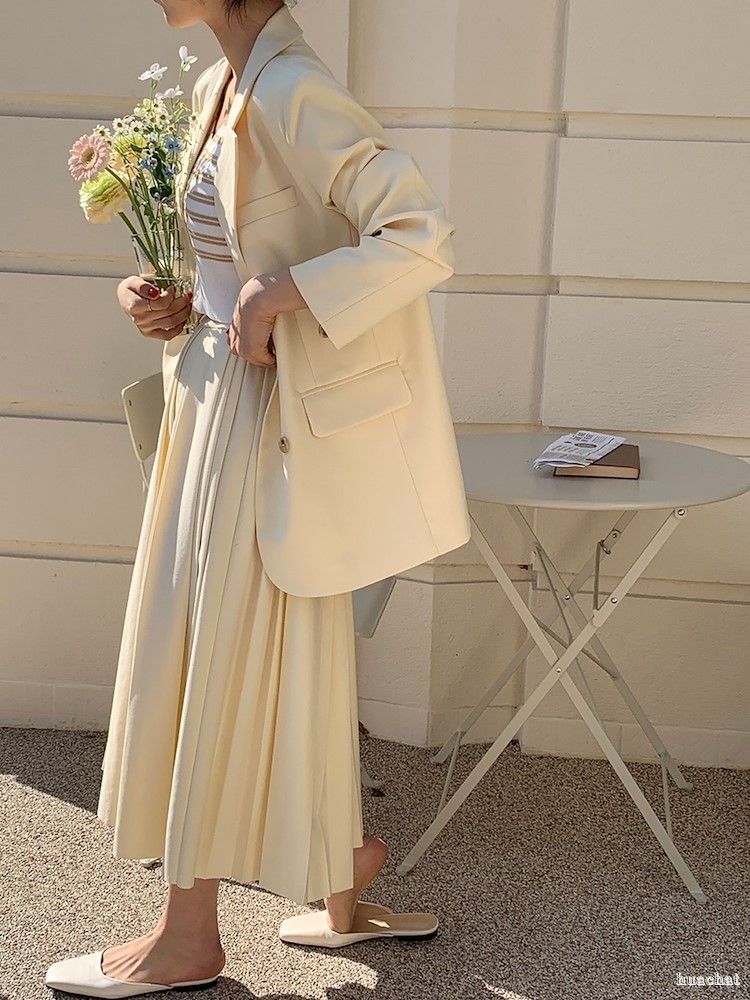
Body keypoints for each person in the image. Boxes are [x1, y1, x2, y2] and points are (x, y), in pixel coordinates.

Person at [46, 0, 471, 994]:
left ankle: (188, 938)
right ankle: (342, 875)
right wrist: (167, 297)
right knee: (254, 642)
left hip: (254, 416)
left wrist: (277, 296)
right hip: (211, 403)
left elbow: (419, 235)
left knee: (217, 650)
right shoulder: (221, 83)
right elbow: (233, 254)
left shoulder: (293, 89)